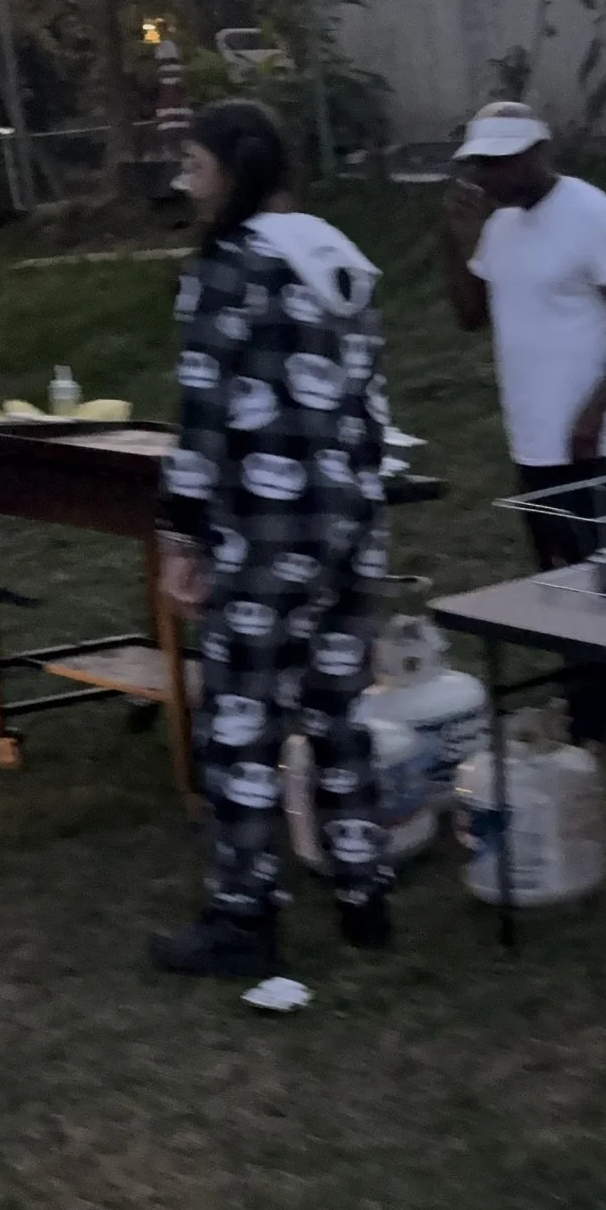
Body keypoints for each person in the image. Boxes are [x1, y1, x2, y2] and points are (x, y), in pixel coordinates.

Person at [151, 100, 397, 978]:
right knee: (337, 711)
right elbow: (369, 402)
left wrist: (180, 537)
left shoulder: (226, 269)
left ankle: (243, 917)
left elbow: (204, 415)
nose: (185, 181)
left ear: (230, 171)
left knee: (242, 726)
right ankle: (364, 895)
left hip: (263, 529)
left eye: (194, 164)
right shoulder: (338, 258)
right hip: (350, 520)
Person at [437, 102, 606, 745]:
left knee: (600, 570)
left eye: (500, 160)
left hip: (598, 435)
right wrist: (455, 242)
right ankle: (597, 700)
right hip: (534, 433)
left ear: (540, 152)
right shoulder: (500, 227)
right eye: (480, 162)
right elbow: (468, 315)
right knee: (557, 573)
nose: (487, 175)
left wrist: (596, 410)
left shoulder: (593, 215)